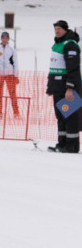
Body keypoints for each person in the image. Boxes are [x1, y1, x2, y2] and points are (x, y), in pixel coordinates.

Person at [47, 20, 81, 153]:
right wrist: (50, 86)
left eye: (59, 29)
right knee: (60, 116)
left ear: (66, 30)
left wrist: (70, 88)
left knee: (69, 115)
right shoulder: (57, 44)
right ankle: (62, 144)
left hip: (67, 87)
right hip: (57, 86)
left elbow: (73, 69)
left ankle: (71, 146)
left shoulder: (70, 45)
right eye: (55, 28)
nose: (57, 31)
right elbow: (55, 68)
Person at [0, 31, 20, 117]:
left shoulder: (12, 50)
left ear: (8, 39)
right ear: (1, 39)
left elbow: (16, 63)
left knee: (12, 93)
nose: (4, 40)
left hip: (10, 74)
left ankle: (16, 112)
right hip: (0, 75)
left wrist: (16, 76)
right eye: (3, 38)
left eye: (6, 38)